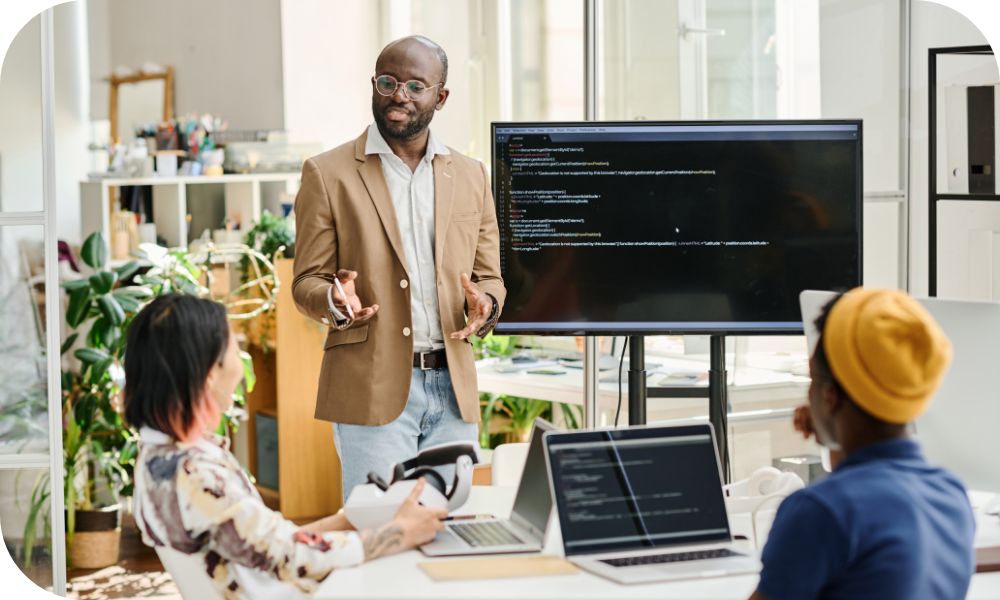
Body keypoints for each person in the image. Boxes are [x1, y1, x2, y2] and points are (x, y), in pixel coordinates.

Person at [292, 35, 505, 498]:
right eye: (387, 82)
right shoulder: (327, 174)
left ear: (440, 97)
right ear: (374, 84)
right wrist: (333, 297)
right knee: (379, 534)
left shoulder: (471, 175)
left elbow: (490, 276)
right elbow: (305, 280)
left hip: (453, 392)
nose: (398, 96)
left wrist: (485, 303)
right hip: (371, 389)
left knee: (449, 530)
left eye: (414, 86)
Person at [125, 295, 446, 599]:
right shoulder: (197, 476)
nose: (241, 362)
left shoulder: (159, 460)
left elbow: (268, 542)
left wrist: (350, 520)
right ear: (209, 374)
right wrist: (399, 533)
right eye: (234, 347)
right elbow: (292, 556)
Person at [750, 288, 976, 600]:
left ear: (829, 398)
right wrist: (831, 426)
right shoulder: (951, 495)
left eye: (812, 381)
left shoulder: (819, 511)